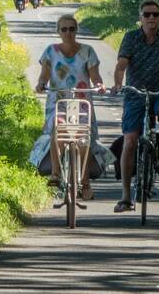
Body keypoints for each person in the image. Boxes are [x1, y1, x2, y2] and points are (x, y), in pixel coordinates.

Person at [111, 0, 159, 213]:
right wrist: (118, 83)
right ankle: (125, 197)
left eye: (155, 14)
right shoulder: (131, 38)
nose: (152, 18)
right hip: (135, 93)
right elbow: (121, 65)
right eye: (147, 15)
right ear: (140, 18)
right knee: (130, 141)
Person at [35, 14, 106, 200]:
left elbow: (95, 75)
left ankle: (85, 182)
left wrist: (99, 85)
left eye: (71, 29)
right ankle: (56, 174)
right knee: (58, 129)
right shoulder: (50, 51)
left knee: (84, 137)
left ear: (76, 30)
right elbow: (44, 74)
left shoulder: (87, 51)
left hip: (81, 103)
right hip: (58, 102)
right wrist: (41, 84)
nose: (68, 33)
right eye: (64, 29)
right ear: (58, 32)